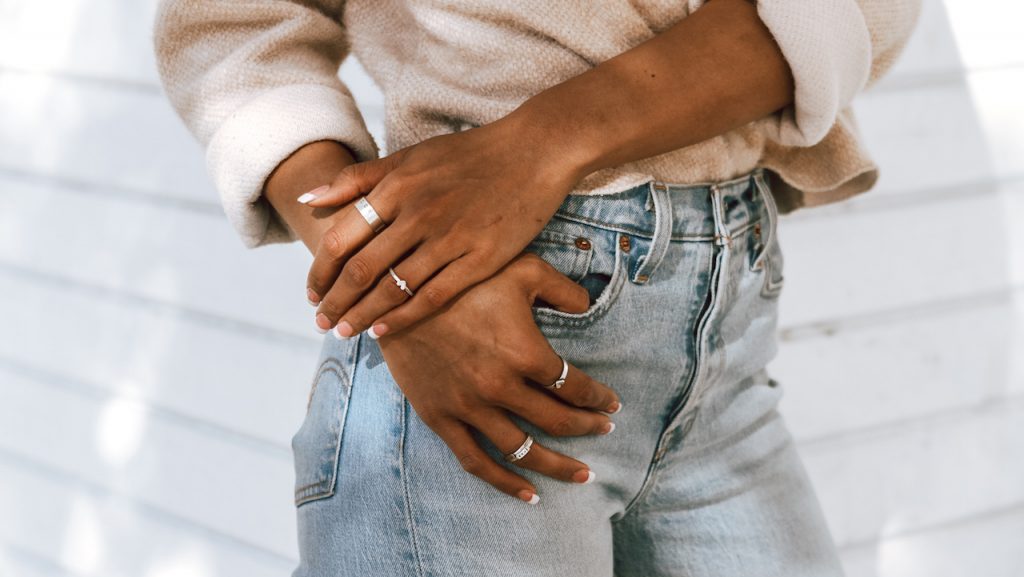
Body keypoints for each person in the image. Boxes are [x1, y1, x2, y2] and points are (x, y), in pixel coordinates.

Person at [154, 1, 920, 575]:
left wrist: (542, 144)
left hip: (725, 346)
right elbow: (232, 25)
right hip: (483, 316)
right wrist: (390, 276)